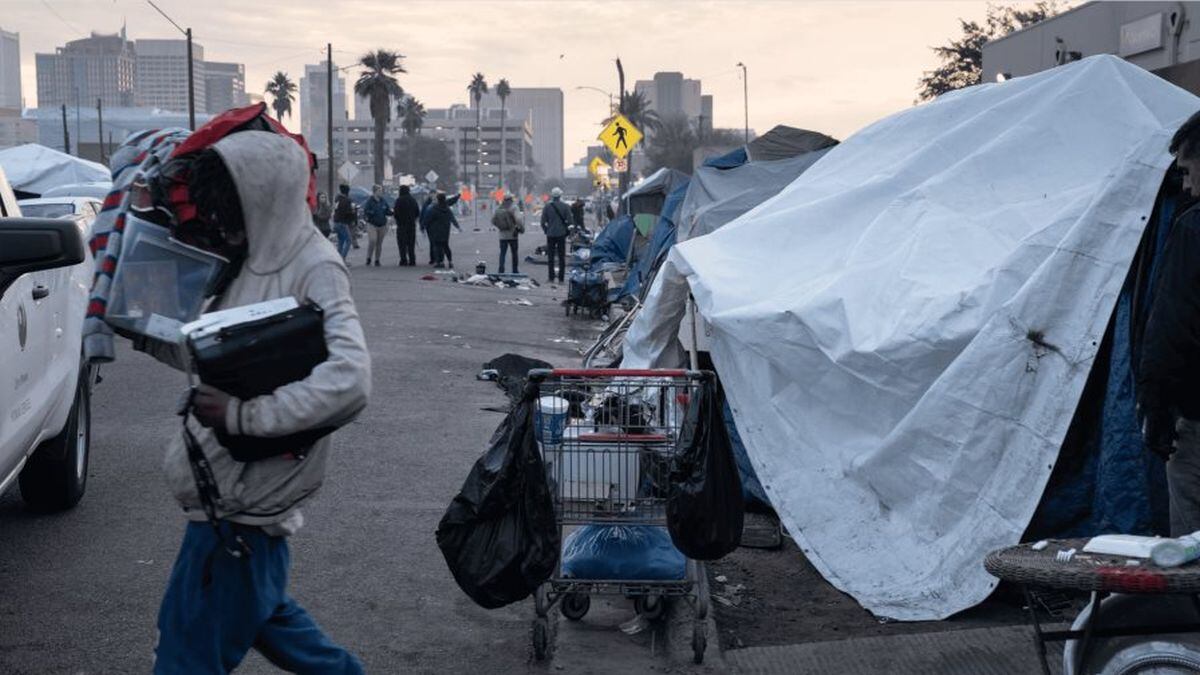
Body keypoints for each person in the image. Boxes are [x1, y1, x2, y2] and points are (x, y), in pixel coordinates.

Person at [143, 131, 370, 673]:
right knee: (280, 630)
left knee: (185, 655)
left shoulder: (314, 266)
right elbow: (225, 356)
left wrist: (245, 416)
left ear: (262, 195)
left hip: (240, 514)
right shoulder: (251, 260)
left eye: (230, 205)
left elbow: (351, 380)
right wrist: (144, 331)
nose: (221, 222)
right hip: (231, 506)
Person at [1141, 110, 1200, 537]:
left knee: (1192, 550)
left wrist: (1155, 405)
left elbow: (1172, 326)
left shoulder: (1194, 228)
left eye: (1187, 171)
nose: (1188, 185)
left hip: (1198, 417)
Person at [541, 187, 572, 283]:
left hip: (550, 234)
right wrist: (567, 230)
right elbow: (570, 221)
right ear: (560, 196)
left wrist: (546, 230)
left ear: (552, 196)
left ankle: (551, 278)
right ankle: (561, 279)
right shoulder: (565, 206)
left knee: (550, 257)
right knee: (561, 257)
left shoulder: (547, 206)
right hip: (561, 234)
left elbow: (543, 222)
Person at [424, 192, 461, 268]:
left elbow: (428, 218)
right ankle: (450, 262)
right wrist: (457, 226)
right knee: (445, 246)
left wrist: (424, 225)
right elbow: (452, 218)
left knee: (437, 247)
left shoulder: (434, 208)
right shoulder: (447, 208)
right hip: (446, 230)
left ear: (438, 199)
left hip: (436, 230)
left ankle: (440, 262)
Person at [492, 194, 524, 274]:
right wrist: (520, 228)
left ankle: (501, 269)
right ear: (511, 199)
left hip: (502, 235)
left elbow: (493, 220)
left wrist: (500, 226)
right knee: (514, 253)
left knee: (502, 253)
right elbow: (519, 219)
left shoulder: (500, 208)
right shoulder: (514, 207)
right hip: (513, 234)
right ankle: (515, 270)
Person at [362, 184, 391, 267]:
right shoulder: (370, 201)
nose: (381, 192)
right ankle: (368, 258)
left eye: (381, 191)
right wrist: (371, 213)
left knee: (379, 243)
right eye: (379, 191)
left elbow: (387, 210)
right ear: (374, 192)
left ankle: (377, 259)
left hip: (382, 225)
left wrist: (392, 212)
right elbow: (366, 211)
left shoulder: (383, 201)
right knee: (372, 240)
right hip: (372, 224)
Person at [393, 185, 421, 266]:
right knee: (411, 243)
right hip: (411, 225)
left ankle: (403, 259)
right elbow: (417, 212)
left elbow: (396, 213)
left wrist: (398, 220)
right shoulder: (413, 200)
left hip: (401, 225)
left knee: (402, 244)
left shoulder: (398, 200)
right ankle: (412, 260)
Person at [332, 184, 355, 263]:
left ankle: (338, 259)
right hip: (343, 222)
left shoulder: (337, 199)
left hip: (336, 222)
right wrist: (353, 212)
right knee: (348, 241)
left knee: (341, 241)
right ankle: (343, 259)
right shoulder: (347, 200)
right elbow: (348, 212)